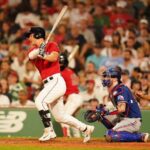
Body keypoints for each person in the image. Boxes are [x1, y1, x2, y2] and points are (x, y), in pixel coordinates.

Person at [24, 26, 94, 142]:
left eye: (30, 35)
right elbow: (31, 56)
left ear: (36, 35)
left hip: (56, 81)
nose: (29, 38)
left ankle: (49, 131)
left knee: (40, 101)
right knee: (60, 116)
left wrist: (44, 54)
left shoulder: (52, 45)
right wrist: (40, 50)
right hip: (48, 84)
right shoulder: (32, 50)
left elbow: (54, 57)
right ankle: (86, 128)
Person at [84, 67, 149, 142]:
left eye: (108, 77)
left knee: (110, 134)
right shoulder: (114, 90)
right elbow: (116, 109)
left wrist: (105, 112)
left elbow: (121, 109)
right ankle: (128, 134)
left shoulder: (121, 89)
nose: (105, 79)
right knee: (101, 114)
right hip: (123, 118)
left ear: (115, 79)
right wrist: (102, 112)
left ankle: (140, 136)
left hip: (132, 120)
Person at [59, 51, 83, 138]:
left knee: (63, 118)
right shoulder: (70, 71)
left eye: (60, 63)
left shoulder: (61, 73)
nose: (59, 65)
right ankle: (77, 138)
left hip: (73, 97)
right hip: (76, 97)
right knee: (71, 119)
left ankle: (67, 137)